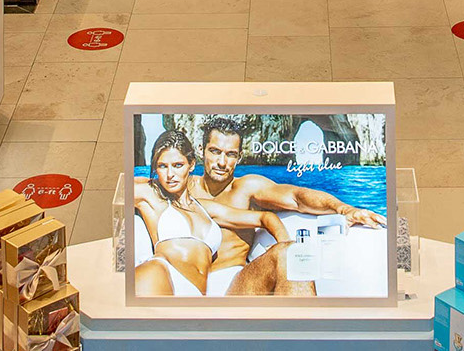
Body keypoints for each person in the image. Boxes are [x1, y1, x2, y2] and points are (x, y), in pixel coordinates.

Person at [187, 116, 386, 296]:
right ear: (201, 150)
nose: (222, 162)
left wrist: (343, 209)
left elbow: (296, 197)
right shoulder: (182, 188)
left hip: (236, 285)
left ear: (239, 157)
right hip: (186, 285)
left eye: (230, 154)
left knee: (290, 254)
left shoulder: (246, 187)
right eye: (215, 151)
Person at [132, 128, 292, 297]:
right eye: (162, 166)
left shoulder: (205, 208)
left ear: (191, 165)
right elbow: (119, 187)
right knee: (145, 321)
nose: (170, 174)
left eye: (178, 165)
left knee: (286, 253)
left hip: (197, 292)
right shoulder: (151, 195)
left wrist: (286, 246)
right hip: (162, 273)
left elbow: (265, 217)